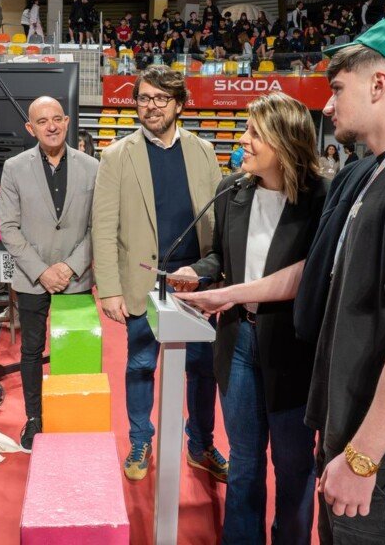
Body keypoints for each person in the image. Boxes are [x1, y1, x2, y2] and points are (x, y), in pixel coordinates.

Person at [182, 19, 385, 543]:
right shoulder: (366, 173)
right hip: (353, 427)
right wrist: (228, 293)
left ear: (379, 84)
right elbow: (319, 271)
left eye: (337, 89)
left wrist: (364, 456)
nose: (327, 106)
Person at [171, 92, 327, 545]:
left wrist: (225, 291)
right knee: (244, 462)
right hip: (238, 340)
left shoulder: (320, 197)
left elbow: (311, 275)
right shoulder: (231, 190)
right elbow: (220, 256)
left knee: (294, 465)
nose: (243, 141)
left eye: (254, 133)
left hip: (294, 348)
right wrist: (195, 274)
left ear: (284, 140)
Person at [91, 66, 228, 482]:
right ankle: (140, 439)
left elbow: (219, 220)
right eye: (144, 98)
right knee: (140, 365)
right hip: (142, 281)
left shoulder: (204, 152)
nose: (150, 106)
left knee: (202, 369)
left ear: (179, 104)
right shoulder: (117, 155)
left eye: (160, 99)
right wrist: (110, 290)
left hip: (196, 282)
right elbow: (103, 227)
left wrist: (218, 274)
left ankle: (200, 444)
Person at [0, 97, 100, 450]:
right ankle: (34, 418)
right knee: (31, 350)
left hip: (76, 277)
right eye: (43, 121)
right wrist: (42, 272)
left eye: (57, 119)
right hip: (31, 278)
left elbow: (97, 227)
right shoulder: (13, 168)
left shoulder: (92, 166)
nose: (52, 126)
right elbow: (8, 228)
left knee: (73, 347)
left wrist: (70, 266)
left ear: (68, 121)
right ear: (31, 128)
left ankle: (70, 413)